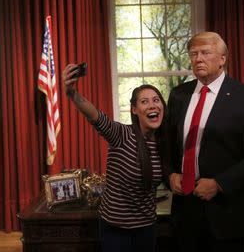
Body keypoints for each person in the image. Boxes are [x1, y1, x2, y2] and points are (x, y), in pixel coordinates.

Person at [164, 31, 244, 251]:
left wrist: (219, 184)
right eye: (193, 54)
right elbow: (165, 147)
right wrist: (169, 175)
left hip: (227, 212)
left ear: (222, 59)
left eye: (205, 53)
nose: (198, 59)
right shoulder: (178, 95)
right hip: (185, 211)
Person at [62, 63, 167, 252]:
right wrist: (71, 93)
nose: (152, 105)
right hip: (116, 229)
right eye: (144, 101)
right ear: (134, 110)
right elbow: (93, 114)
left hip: (147, 227)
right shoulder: (122, 135)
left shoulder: (165, 143)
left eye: (156, 100)